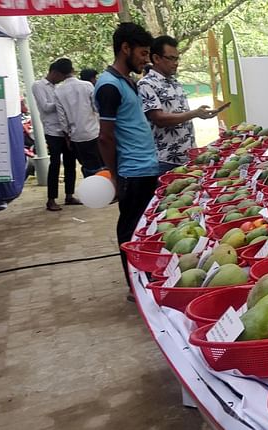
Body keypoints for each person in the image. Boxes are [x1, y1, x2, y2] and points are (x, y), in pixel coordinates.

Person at [94, 22, 158, 300]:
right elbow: (105, 137)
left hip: (144, 167)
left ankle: (144, 279)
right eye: (143, 54)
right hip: (133, 170)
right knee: (130, 229)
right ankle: (136, 286)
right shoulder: (109, 86)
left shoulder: (125, 82)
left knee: (142, 228)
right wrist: (115, 175)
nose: (146, 60)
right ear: (125, 48)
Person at [138, 35, 215, 175]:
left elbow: (180, 113)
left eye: (177, 58)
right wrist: (194, 113)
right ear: (156, 58)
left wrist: (201, 114)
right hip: (166, 160)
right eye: (171, 58)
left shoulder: (174, 82)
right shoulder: (146, 84)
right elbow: (158, 119)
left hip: (188, 156)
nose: (176, 63)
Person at [32, 58, 80, 211]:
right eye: (61, 76)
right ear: (54, 72)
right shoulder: (39, 86)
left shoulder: (58, 88)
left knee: (70, 163)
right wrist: (62, 102)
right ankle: (51, 199)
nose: (62, 79)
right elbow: (45, 107)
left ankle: (69, 195)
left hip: (66, 130)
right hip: (52, 131)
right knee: (54, 165)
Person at [55, 67, 104, 177]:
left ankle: (90, 187)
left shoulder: (58, 91)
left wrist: (67, 135)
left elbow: (62, 117)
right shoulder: (87, 85)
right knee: (102, 163)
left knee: (87, 165)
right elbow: (96, 107)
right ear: (73, 70)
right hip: (94, 131)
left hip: (77, 136)